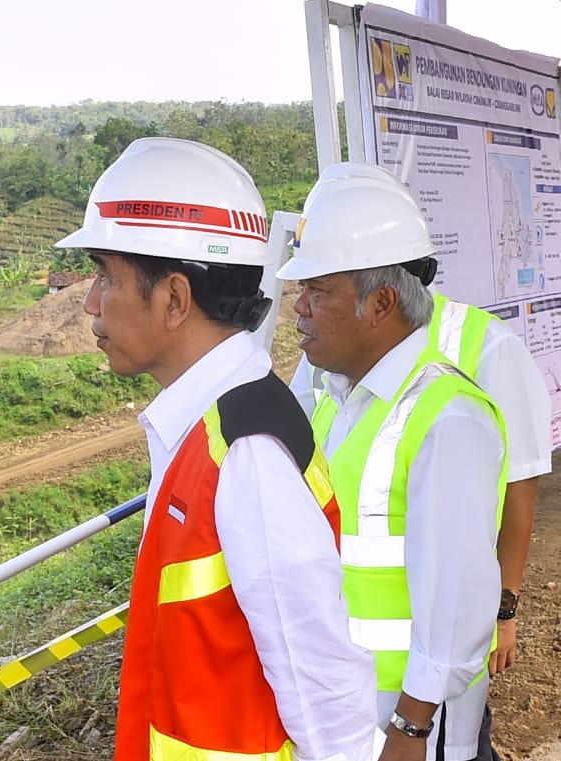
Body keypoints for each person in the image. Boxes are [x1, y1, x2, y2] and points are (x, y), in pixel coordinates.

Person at [56, 138, 378, 761]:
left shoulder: (244, 453)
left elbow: (323, 684)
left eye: (104, 276)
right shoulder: (209, 430)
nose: (91, 303)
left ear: (174, 298)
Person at [285, 164, 552, 761]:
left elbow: (460, 591)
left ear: (381, 302)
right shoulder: (338, 395)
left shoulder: (447, 413)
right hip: (341, 706)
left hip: (406, 724)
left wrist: (410, 729)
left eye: (317, 291)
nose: (298, 308)